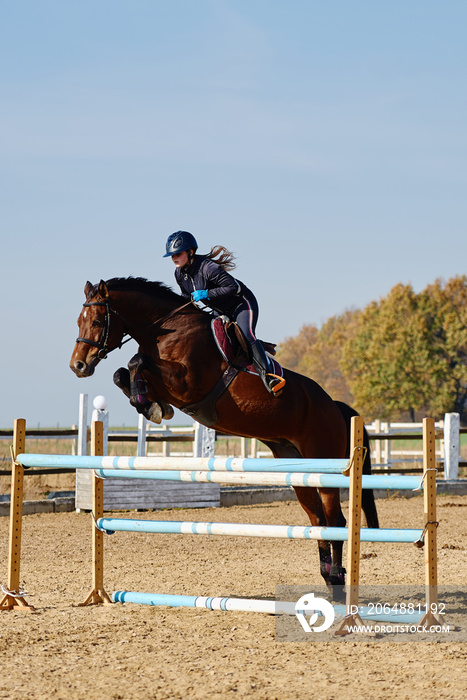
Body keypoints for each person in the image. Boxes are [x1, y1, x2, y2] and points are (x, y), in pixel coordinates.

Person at [164, 230, 285, 395]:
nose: (174, 258)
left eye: (178, 253)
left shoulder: (208, 267)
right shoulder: (179, 274)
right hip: (220, 310)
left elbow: (234, 287)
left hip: (242, 304)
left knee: (247, 335)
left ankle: (269, 377)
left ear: (191, 252)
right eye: (172, 255)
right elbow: (187, 299)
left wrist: (206, 294)